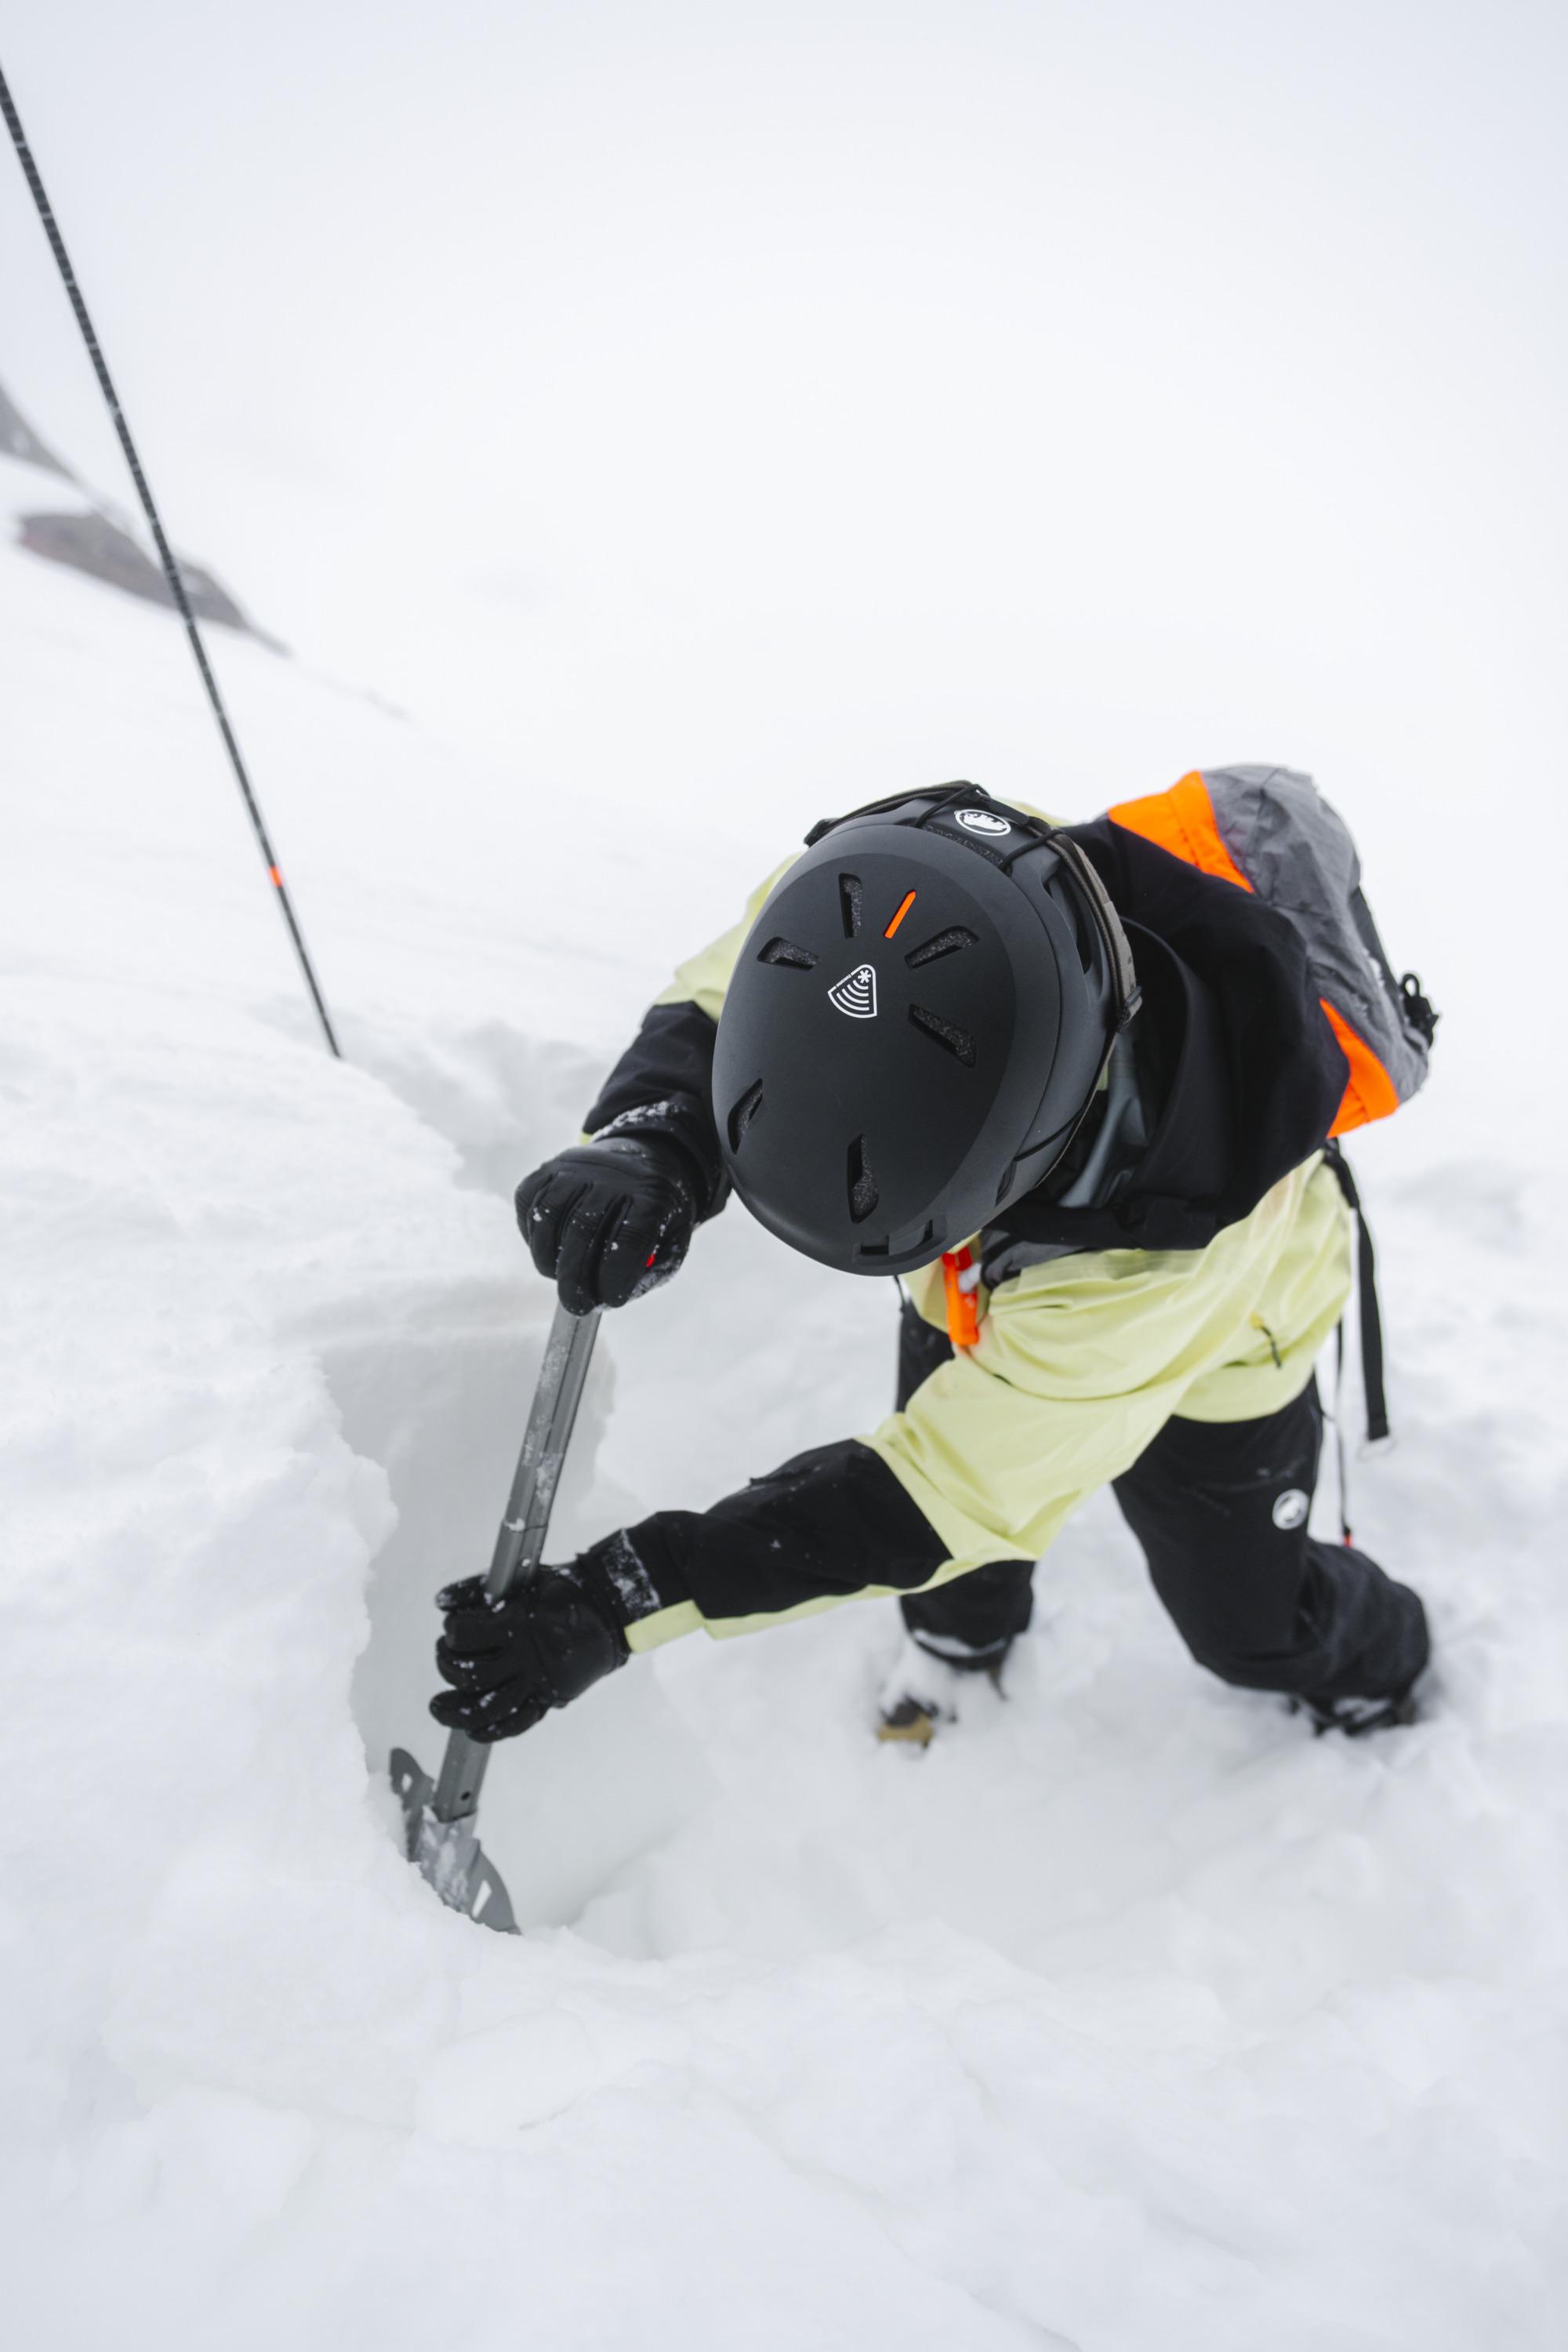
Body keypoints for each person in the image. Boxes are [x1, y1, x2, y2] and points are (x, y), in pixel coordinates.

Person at [430, 771, 1435, 1753]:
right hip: (974, 1261)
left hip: (1228, 1340)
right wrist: (654, 1139)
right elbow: (749, 981)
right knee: (952, 1507)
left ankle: (1383, 1662)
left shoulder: (1142, 1281)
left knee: (1247, 1628)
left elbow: (942, 1492)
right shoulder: (950, 883)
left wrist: (619, 1600)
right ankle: (958, 1647)